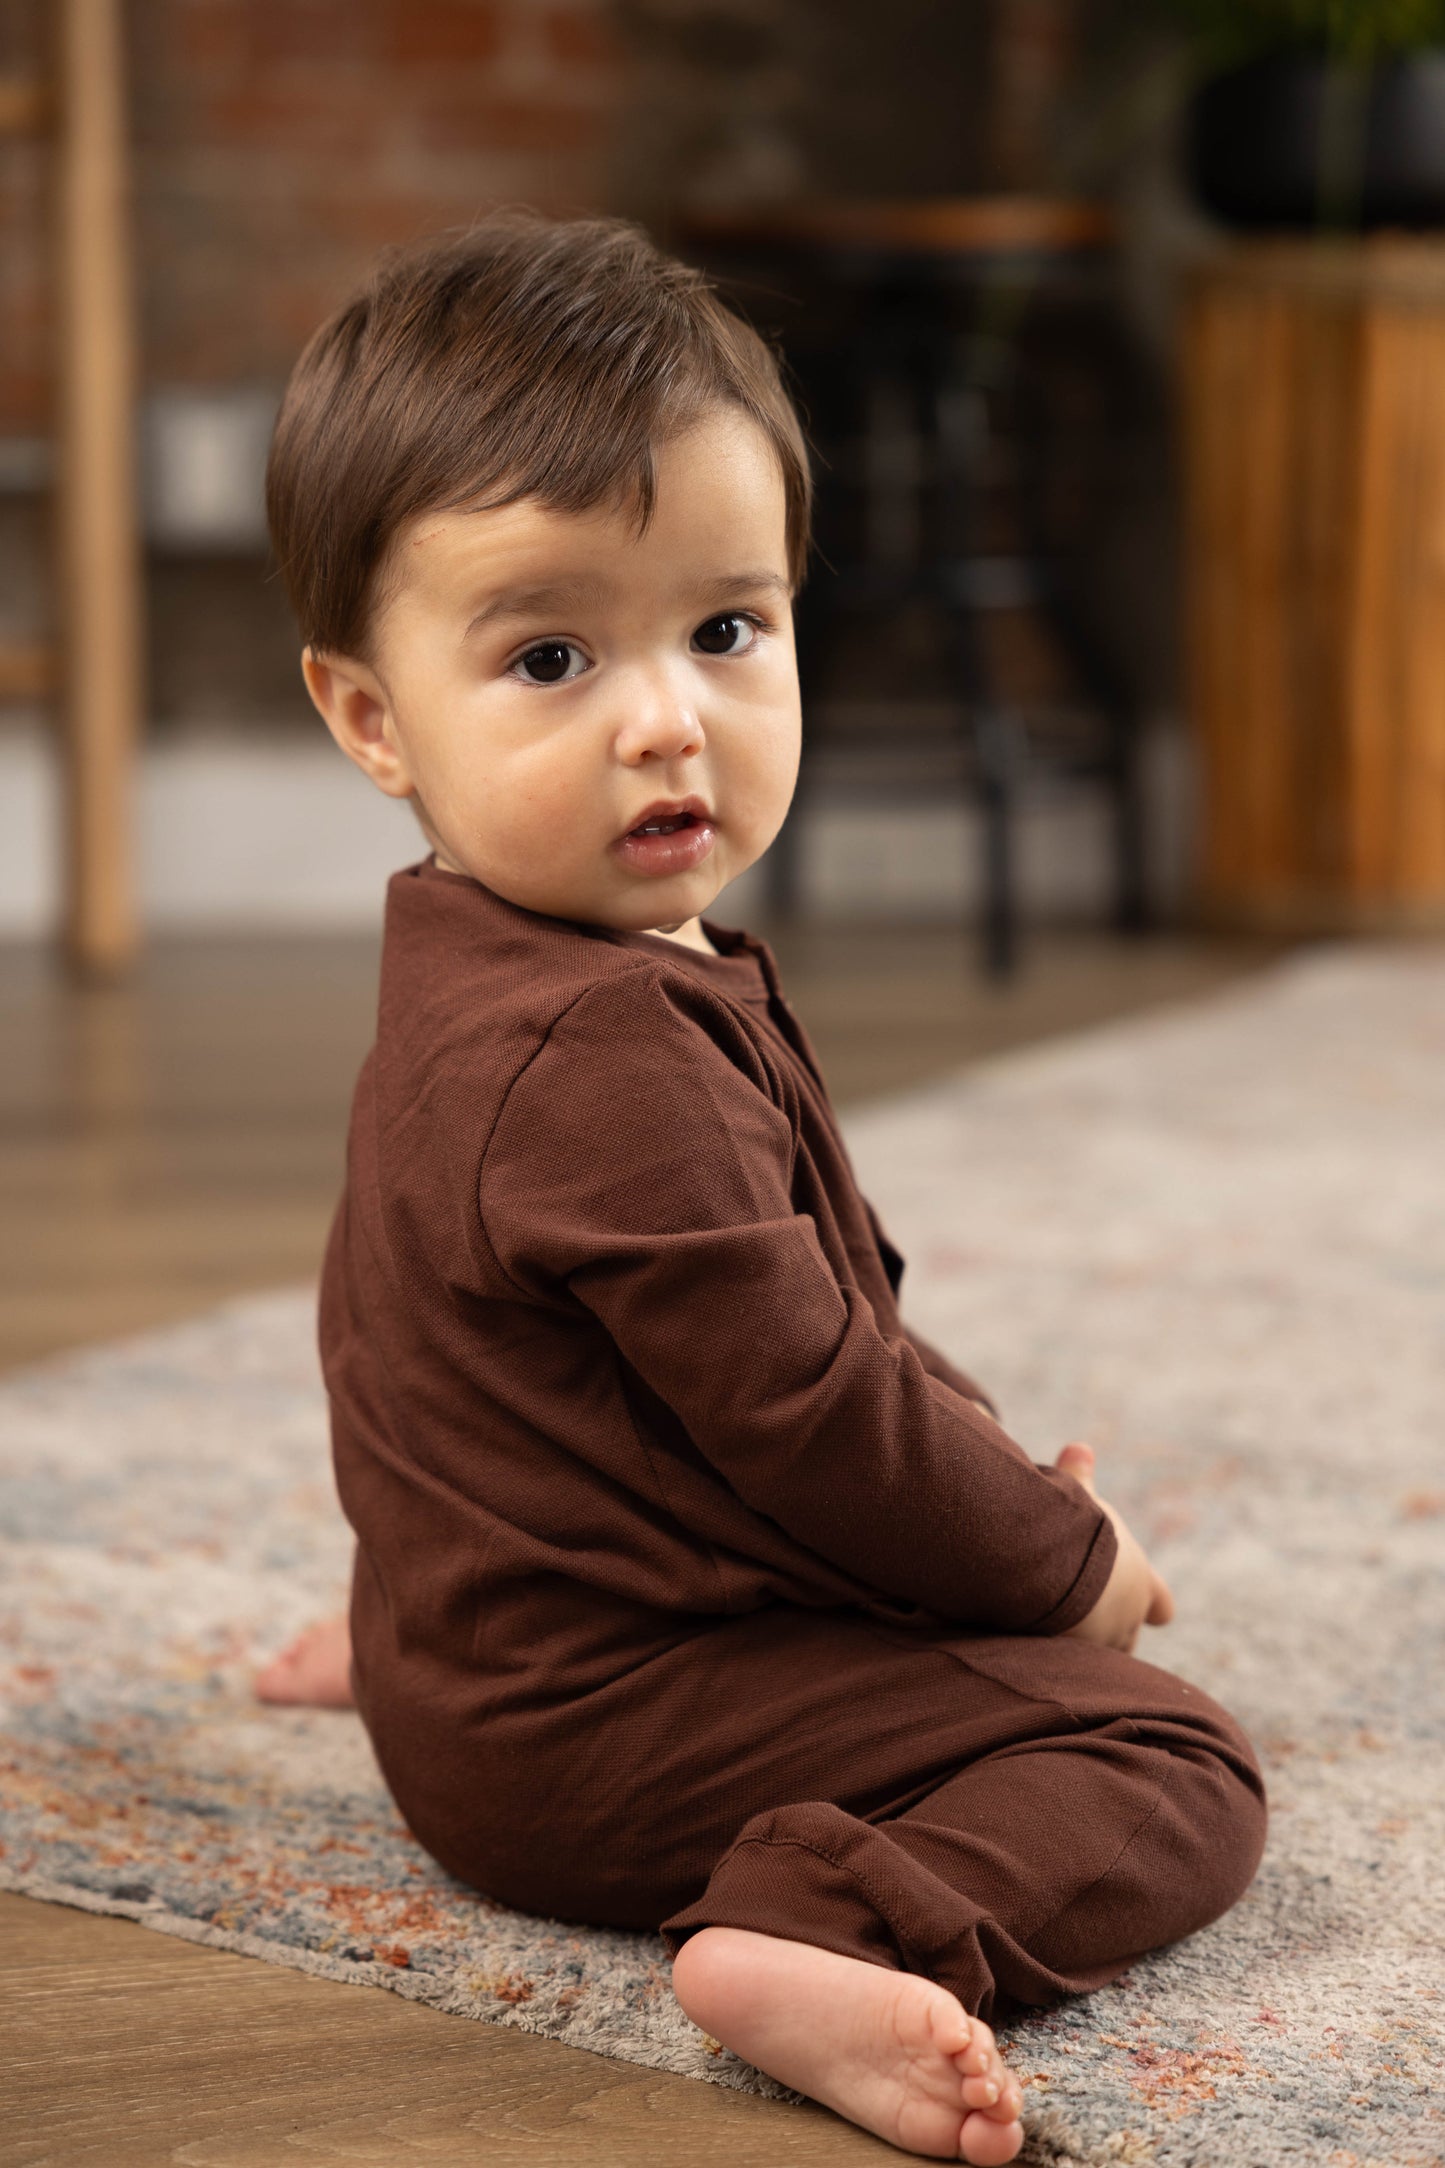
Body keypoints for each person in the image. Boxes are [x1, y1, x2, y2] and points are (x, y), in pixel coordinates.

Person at [254, 208, 1267, 2164]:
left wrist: (979, 1479)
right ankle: (810, 1924)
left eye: (727, 627)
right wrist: (1064, 1562)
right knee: (1160, 1743)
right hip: (575, 1732)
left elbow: (743, 1338)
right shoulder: (600, 1052)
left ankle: (425, 1629)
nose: (667, 716)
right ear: (371, 717)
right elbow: (814, 1412)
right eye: (552, 655)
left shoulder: (519, 955)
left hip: (504, 1655)